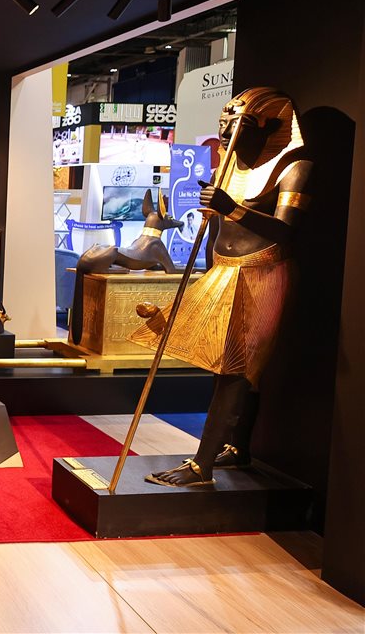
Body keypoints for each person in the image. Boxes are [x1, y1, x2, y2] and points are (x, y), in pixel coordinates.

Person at [129, 87, 312, 487]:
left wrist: (232, 208)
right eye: (223, 123)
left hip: (263, 272)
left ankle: (201, 466)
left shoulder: (294, 167)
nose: (226, 132)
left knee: (238, 369)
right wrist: (211, 251)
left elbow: (285, 230)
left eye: (237, 124)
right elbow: (218, 226)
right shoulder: (226, 169)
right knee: (226, 367)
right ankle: (237, 448)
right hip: (224, 270)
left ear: (268, 127)